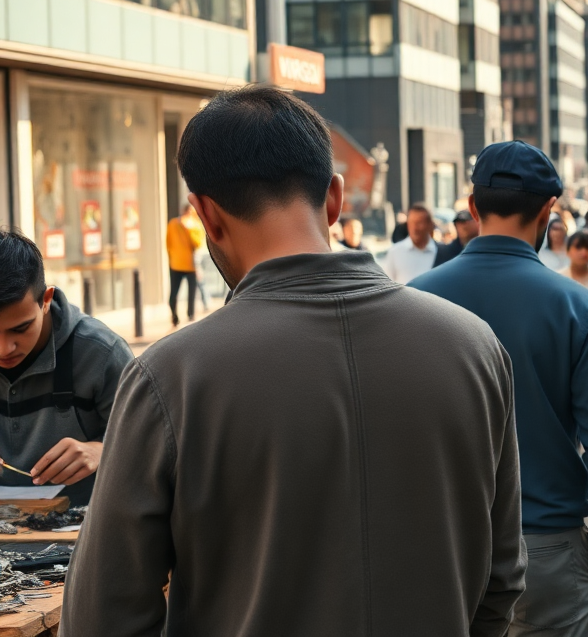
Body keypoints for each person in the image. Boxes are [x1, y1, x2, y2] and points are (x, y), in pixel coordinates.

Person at [63, 86, 525, 635]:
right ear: (334, 198)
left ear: (206, 214)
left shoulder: (172, 376)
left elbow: (103, 613)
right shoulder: (474, 348)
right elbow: (502, 578)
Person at [408, 140, 588, 636]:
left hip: (437, 549)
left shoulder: (414, 302)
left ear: (473, 208)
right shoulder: (576, 308)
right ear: (548, 210)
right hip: (544, 547)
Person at [0, 229, 131, 506]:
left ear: (46, 300)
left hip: (80, 529)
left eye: (20, 328)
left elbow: (155, 451)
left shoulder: (102, 353)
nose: (4, 348)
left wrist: (101, 451)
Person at [165, 204, 205, 326]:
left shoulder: (196, 226)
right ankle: (175, 316)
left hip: (189, 265)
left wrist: (188, 230)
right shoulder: (173, 224)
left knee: (191, 293)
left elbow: (197, 243)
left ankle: (190, 316)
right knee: (174, 293)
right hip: (177, 264)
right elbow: (168, 243)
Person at [381, 203, 438, 283]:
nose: (414, 228)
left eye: (419, 223)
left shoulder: (440, 252)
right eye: (411, 223)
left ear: (429, 225)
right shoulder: (395, 252)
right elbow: (386, 284)